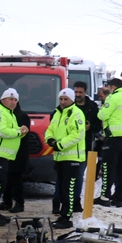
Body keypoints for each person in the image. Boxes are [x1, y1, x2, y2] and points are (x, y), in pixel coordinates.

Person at [0, 88, 27, 226]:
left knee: (0, 185)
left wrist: (21, 131)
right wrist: (19, 131)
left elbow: (11, 132)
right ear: (3, 99)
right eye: (10, 99)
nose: (13, 102)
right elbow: (1, 131)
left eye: (15, 100)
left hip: (3, 155)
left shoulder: (10, 113)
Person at [44, 88, 86, 229]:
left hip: (72, 158)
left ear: (72, 99)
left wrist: (60, 145)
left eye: (65, 99)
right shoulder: (57, 113)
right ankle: (63, 215)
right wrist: (49, 139)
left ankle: (67, 217)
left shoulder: (76, 113)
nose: (62, 102)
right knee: (62, 188)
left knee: (68, 189)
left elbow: (77, 134)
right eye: (61, 99)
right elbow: (50, 129)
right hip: (61, 157)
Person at [96, 77, 122, 206]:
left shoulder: (114, 97)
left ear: (113, 87)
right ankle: (119, 198)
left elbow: (102, 115)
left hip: (113, 138)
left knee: (109, 169)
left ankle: (105, 197)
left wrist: (102, 108)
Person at [5, 98, 32, 214]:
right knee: (6, 179)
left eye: (14, 100)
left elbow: (23, 133)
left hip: (19, 153)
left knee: (16, 180)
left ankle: (19, 203)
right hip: (7, 152)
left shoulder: (22, 116)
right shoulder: (5, 115)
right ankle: (6, 201)